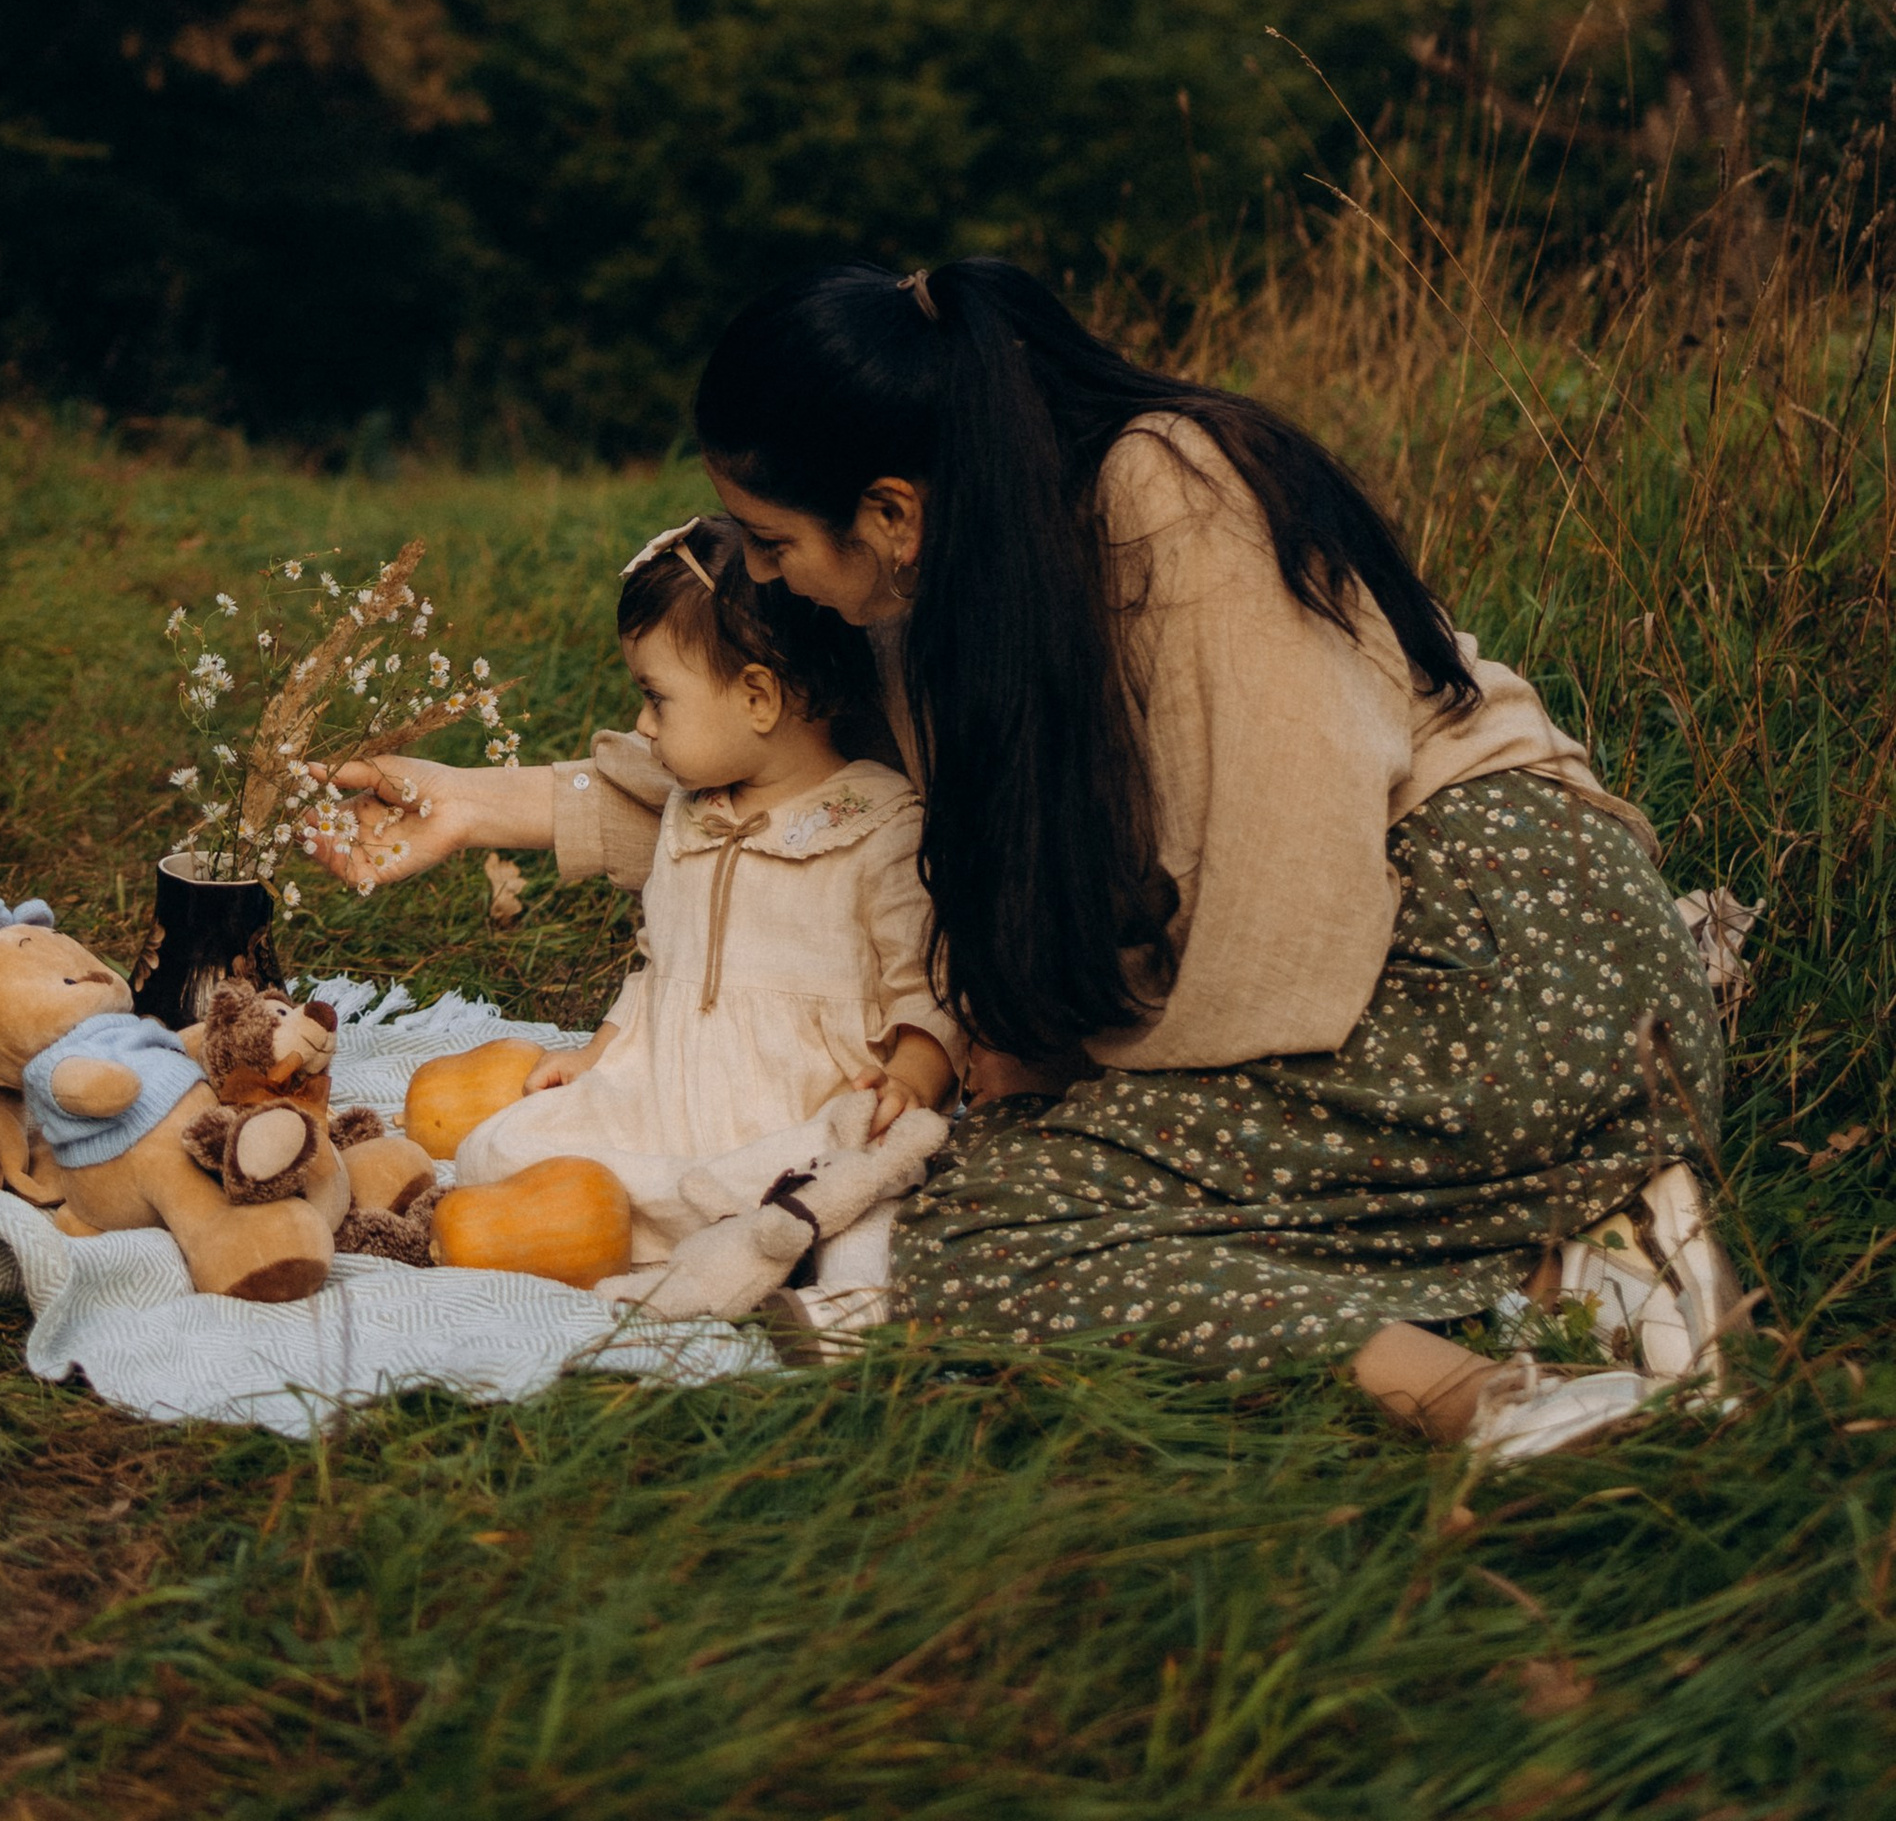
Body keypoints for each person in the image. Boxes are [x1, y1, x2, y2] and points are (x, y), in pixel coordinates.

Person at [311, 258, 1734, 1447]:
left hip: (1494, 963)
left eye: (767, 539)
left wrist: (1050, 1069)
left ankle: (1492, 1381)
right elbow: (778, 772)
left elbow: (1284, 918)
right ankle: (1540, 1258)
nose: (756, 576)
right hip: (1348, 988)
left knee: (964, 1223)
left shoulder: (1177, 504)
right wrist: (476, 803)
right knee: (941, 1183)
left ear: (890, 509)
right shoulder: (941, 574)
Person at [446, 522, 961, 1278]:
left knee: (856, 1175)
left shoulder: (879, 824)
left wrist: (912, 1078)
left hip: (798, 1108)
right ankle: (697, 1225)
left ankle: (799, 1261)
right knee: (493, 1148)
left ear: (757, 696)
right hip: (671, 1088)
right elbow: (662, 959)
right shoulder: (689, 814)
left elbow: (927, 982)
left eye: (656, 698)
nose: (644, 726)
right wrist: (599, 1052)